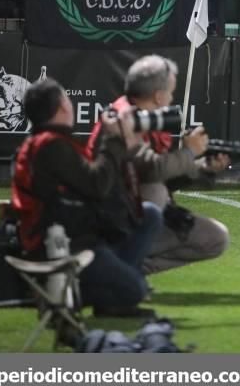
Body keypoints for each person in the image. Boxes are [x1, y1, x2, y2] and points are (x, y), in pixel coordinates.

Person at [12, 77, 159, 315]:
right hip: (68, 242)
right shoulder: (51, 146)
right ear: (62, 107)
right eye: (68, 99)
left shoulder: (44, 142)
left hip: (74, 229)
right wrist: (113, 140)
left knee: (149, 214)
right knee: (136, 289)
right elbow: (97, 185)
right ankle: (65, 297)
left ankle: (109, 292)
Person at [87, 55, 230, 276]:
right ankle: (116, 263)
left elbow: (161, 174)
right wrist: (190, 151)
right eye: (171, 93)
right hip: (111, 217)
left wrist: (204, 167)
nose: (171, 99)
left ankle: (130, 269)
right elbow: (153, 170)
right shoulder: (123, 120)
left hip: (132, 212)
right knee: (155, 190)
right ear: (159, 95)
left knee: (215, 238)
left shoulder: (144, 119)